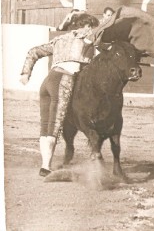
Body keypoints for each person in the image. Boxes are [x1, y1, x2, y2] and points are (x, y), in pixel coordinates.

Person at [19, 13, 100, 177]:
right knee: (54, 125)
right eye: (92, 27)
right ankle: (46, 167)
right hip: (63, 81)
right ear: (86, 27)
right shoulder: (86, 39)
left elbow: (33, 51)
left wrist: (25, 73)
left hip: (48, 81)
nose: (93, 31)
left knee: (45, 125)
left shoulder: (59, 40)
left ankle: (45, 164)